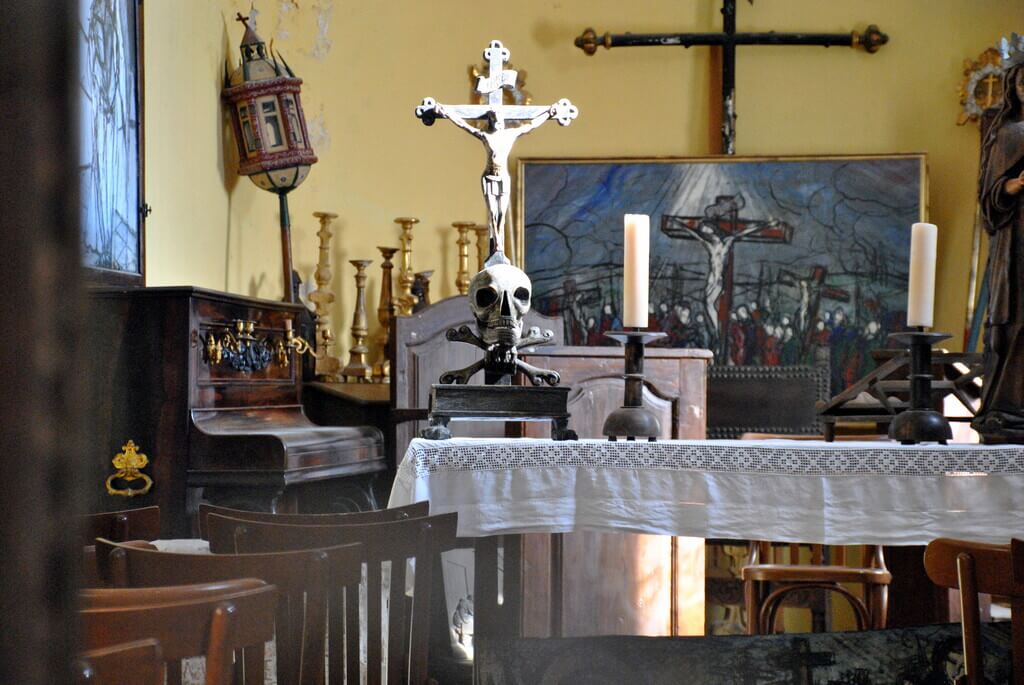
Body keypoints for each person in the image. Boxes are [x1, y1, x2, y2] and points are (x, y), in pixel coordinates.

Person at [973, 59, 1024, 442]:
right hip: (1017, 241)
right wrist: (1009, 187)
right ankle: (1006, 409)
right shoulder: (1008, 133)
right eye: (1023, 84)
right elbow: (989, 198)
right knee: (1015, 324)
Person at [434, 103, 556, 259]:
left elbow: (530, 126)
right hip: (489, 177)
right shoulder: (486, 136)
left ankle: (499, 246)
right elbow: (464, 126)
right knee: (492, 212)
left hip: (503, 177)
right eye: (495, 118)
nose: (498, 121)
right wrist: (447, 112)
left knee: (501, 213)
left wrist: (549, 113)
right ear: (491, 120)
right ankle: (497, 244)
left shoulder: (510, 135)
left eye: (500, 118)